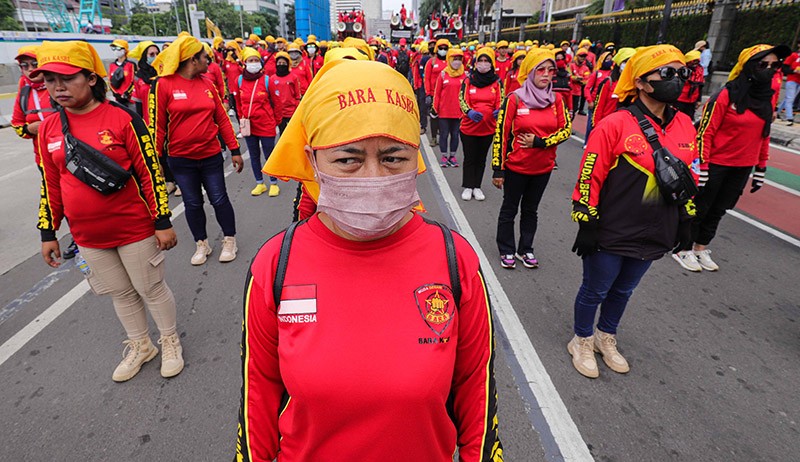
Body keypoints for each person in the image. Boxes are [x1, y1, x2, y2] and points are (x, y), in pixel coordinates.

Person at [235, 58, 503, 462]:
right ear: (312, 161)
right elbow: (258, 391)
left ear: (416, 158)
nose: (374, 177)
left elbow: (475, 385)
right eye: (348, 159)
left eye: (393, 158)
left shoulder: (455, 259)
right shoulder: (276, 264)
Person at [34, 40, 183, 382]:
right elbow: (50, 184)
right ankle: (140, 345)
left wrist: (163, 220)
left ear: (90, 78)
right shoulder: (48, 130)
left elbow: (150, 172)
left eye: (67, 78)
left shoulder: (122, 118)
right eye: (50, 80)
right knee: (120, 292)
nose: (58, 87)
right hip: (88, 236)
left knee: (151, 288)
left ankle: (169, 340)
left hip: (135, 229)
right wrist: (48, 232)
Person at [569, 45, 698, 378]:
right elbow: (589, 175)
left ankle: (605, 336)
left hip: (657, 230)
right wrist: (587, 222)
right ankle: (581, 340)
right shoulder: (614, 124)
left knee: (624, 290)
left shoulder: (686, 124)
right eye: (667, 73)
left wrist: (687, 219)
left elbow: (690, 176)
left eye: (681, 73)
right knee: (595, 289)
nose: (677, 80)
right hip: (613, 229)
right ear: (640, 82)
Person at [673, 44, 789, 272]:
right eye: (763, 65)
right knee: (700, 207)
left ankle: (700, 247)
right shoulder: (726, 94)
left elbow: (764, 135)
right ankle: (682, 248)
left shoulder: (767, 98)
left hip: (742, 166)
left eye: (774, 65)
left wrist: (761, 169)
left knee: (720, 209)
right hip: (715, 164)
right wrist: (703, 166)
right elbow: (705, 132)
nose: (769, 69)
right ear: (748, 66)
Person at [149, 35, 243, 265]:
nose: (208, 62)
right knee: (192, 203)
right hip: (181, 159)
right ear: (192, 59)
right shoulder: (163, 84)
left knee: (219, 199)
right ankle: (201, 243)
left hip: (210, 155)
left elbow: (221, 119)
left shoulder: (207, 83)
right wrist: (155, 160)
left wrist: (235, 149)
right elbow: (156, 126)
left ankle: (229, 239)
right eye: (205, 58)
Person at [492, 49, 571, 270]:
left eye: (550, 70)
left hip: (542, 169)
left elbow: (566, 130)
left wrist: (541, 142)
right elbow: (502, 135)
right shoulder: (514, 99)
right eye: (541, 70)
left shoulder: (557, 99)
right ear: (530, 72)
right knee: (509, 209)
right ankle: (506, 249)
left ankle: (525, 248)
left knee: (531, 210)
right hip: (516, 167)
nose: (546, 74)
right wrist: (498, 169)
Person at [128, 41, 178, 196]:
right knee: (159, 152)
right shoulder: (139, 78)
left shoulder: (167, 72)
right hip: (150, 121)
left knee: (173, 151)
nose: (155, 57)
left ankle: (182, 180)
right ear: (144, 57)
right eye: (151, 54)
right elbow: (138, 103)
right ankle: (169, 181)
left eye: (157, 54)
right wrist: (141, 123)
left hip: (170, 118)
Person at [234, 47, 282, 197]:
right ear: (244, 63)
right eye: (250, 61)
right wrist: (242, 119)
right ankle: (259, 183)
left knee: (269, 154)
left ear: (260, 63)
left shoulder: (267, 80)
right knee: (254, 155)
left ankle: (274, 183)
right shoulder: (239, 80)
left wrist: (275, 122)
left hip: (266, 124)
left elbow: (277, 104)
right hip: (249, 126)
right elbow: (237, 103)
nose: (253, 63)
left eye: (256, 60)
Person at [459, 47, 502, 201]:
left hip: (488, 128)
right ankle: (468, 186)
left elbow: (501, 99)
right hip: (469, 128)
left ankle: (477, 186)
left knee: (481, 159)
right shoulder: (468, 80)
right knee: (469, 158)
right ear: (475, 63)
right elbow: (462, 100)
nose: (483, 64)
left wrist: (498, 110)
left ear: (491, 63)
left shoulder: (497, 82)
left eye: (486, 61)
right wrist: (469, 112)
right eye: (481, 61)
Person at [434, 48, 467, 168]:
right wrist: (435, 108)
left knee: (455, 134)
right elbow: (437, 93)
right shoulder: (443, 74)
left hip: (458, 112)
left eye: (459, 59)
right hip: (444, 112)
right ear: (449, 60)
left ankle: (452, 156)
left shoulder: (465, 75)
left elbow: (467, 95)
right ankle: (444, 156)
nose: (457, 62)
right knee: (443, 134)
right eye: (455, 59)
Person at [590, 47, 636, 127]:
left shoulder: (636, 86)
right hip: (606, 126)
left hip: (624, 128)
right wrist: (597, 127)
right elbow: (598, 108)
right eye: (625, 62)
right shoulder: (609, 82)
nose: (628, 65)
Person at [424, 39, 450, 147]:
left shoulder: (451, 62)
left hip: (447, 96)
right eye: (441, 48)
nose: (443, 50)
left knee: (444, 118)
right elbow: (427, 78)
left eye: (445, 48)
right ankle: (434, 138)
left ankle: (443, 138)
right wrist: (428, 94)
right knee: (434, 117)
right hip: (434, 94)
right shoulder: (431, 62)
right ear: (437, 49)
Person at [270, 51, 301, 135]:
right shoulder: (272, 78)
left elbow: (297, 94)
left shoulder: (293, 77)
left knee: (293, 132)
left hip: (291, 110)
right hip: (279, 111)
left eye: (283, 63)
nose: (281, 64)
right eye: (279, 62)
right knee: (282, 133)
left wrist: (297, 108)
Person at [675, 50, 705, 120]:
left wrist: (698, 100)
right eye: (693, 61)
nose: (695, 63)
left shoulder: (699, 70)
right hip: (680, 98)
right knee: (676, 117)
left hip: (692, 99)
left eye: (697, 61)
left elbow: (700, 86)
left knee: (689, 118)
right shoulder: (682, 69)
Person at [778, 41, 800, 126]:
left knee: (789, 98)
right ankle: (789, 117)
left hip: (798, 80)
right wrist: (793, 71)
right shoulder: (793, 55)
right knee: (790, 98)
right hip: (792, 79)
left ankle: (777, 111)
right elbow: (784, 67)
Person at [109, 40, 137, 107]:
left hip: (130, 99)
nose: (116, 51)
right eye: (114, 48)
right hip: (118, 99)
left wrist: (126, 93)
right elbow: (110, 81)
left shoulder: (131, 65)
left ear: (125, 50)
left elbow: (134, 81)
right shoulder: (112, 65)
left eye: (118, 48)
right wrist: (115, 94)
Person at [569, 49, 591, 117]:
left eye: (584, 56)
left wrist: (577, 79)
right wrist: (576, 78)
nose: (583, 58)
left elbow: (586, 81)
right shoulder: (571, 65)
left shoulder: (586, 68)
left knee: (574, 111)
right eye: (581, 56)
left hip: (577, 92)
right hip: (569, 91)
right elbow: (568, 76)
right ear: (577, 56)